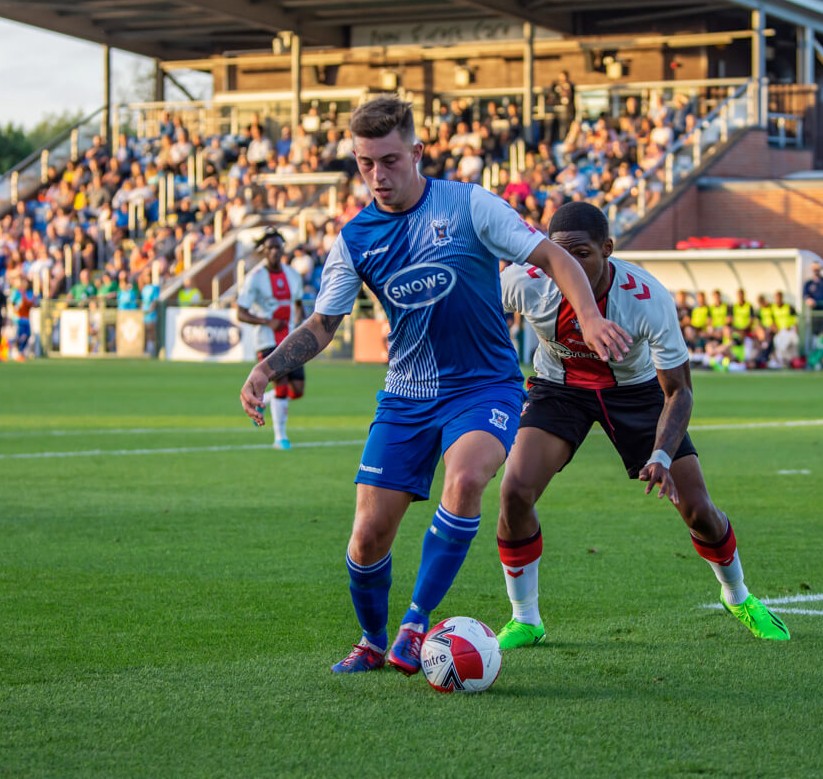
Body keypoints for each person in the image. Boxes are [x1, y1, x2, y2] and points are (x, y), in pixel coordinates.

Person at [237, 95, 630, 676]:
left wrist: (591, 317)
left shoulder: (469, 205)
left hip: (484, 385)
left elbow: (551, 254)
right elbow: (324, 322)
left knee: (468, 476)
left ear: (417, 152)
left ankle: (417, 624)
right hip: (406, 394)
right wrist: (266, 366)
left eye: (390, 160)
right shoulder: (355, 239)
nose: (377, 176)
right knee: (367, 536)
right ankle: (372, 642)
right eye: (365, 163)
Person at [495, 202, 788, 649]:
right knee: (514, 491)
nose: (568, 265)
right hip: (559, 389)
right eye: (560, 254)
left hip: (634, 393)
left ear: (608, 249)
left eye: (582, 253)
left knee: (698, 511)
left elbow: (680, 392)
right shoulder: (524, 281)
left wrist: (662, 454)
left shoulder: (647, 298)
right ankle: (526, 619)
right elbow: (478, 322)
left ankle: (738, 596)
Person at [236, 228, 306, 450]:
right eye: (270, 248)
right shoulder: (254, 278)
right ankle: (280, 438)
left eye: (278, 247)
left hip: (291, 339)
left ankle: (262, 398)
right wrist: (267, 322)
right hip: (267, 340)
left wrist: (301, 319)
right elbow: (240, 312)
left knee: (297, 390)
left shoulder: (293, 275)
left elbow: (297, 304)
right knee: (283, 386)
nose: (275, 251)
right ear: (263, 252)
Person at [8, 274, 34, 361]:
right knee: (19, 335)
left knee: (27, 335)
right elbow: (11, 302)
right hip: (18, 318)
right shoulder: (17, 292)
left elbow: (30, 303)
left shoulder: (29, 292)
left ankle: (18, 349)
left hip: (26, 318)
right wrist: (16, 307)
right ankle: (16, 351)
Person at [802, 262, 823, 338]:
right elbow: (805, 295)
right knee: (815, 333)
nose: (816, 270)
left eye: (817, 269)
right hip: (815, 312)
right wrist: (808, 300)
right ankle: (816, 348)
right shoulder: (809, 283)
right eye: (814, 269)